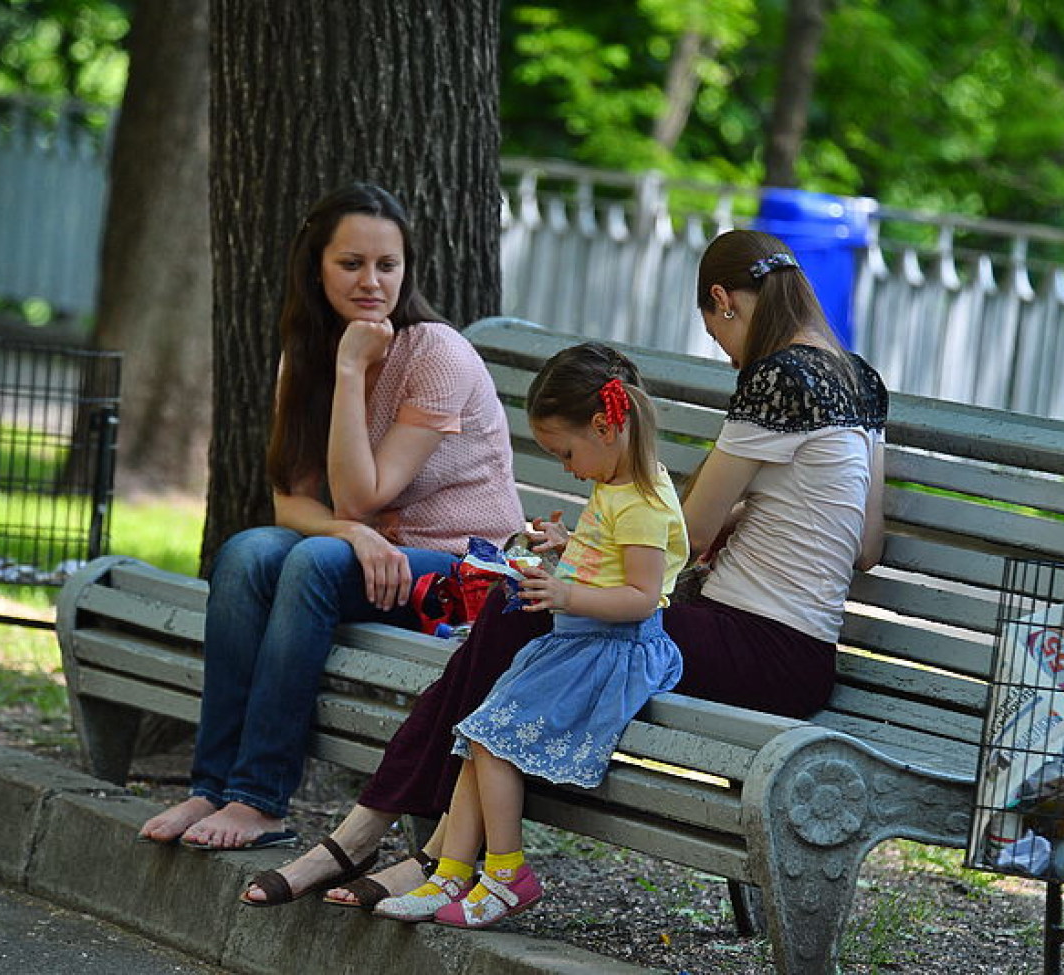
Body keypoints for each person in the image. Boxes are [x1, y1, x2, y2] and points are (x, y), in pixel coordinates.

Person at [240, 227, 888, 909]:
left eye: (714, 327)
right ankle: (423, 849)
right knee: (522, 620)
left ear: (722, 300)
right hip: (795, 650)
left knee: (521, 608)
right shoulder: (862, 381)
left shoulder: (777, 376)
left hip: (753, 641)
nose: (725, 352)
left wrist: (720, 522)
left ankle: (390, 834)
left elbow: (686, 533)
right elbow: (864, 546)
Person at [136, 182, 523, 865]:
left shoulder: (436, 354)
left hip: (462, 570)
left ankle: (258, 799)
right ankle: (211, 783)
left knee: (311, 560)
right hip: (375, 556)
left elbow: (360, 494)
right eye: (351, 264)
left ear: (408, 270)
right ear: (316, 265)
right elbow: (293, 505)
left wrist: (351, 371)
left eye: (387, 265)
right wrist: (354, 534)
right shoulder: (307, 350)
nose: (372, 281)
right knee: (250, 551)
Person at [357, 342, 687, 926]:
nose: (566, 467)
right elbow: (617, 561)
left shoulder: (638, 502)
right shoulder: (621, 485)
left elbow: (640, 597)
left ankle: (507, 875)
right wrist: (570, 548)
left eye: (565, 453)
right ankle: (451, 874)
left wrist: (565, 593)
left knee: (491, 739)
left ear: (605, 427)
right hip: (580, 643)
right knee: (477, 735)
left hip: (611, 652)